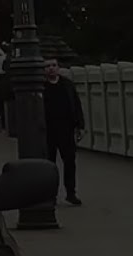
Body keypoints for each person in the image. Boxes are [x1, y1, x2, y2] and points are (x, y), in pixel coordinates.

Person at [43, 57, 85, 206]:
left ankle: (71, 192)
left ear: (58, 67)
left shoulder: (67, 84)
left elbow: (76, 104)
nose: (51, 68)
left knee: (69, 162)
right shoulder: (41, 87)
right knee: (49, 165)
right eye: (47, 66)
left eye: (53, 65)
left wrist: (80, 125)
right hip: (48, 130)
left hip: (66, 129)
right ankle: (50, 195)